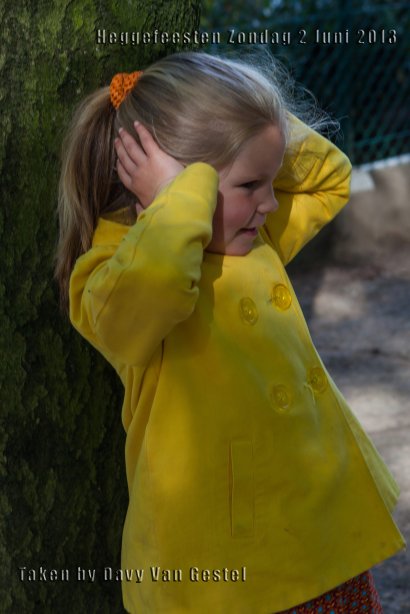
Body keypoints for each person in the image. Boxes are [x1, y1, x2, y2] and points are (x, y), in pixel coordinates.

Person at [55, 50, 405, 613]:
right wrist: (180, 195)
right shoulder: (115, 272)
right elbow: (158, 283)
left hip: (316, 531)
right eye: (250, 184)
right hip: (229, 570)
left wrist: (258, 120)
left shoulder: (249, 236)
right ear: (176, 184)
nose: (270, 202)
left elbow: (330, 178)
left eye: (269, 180)